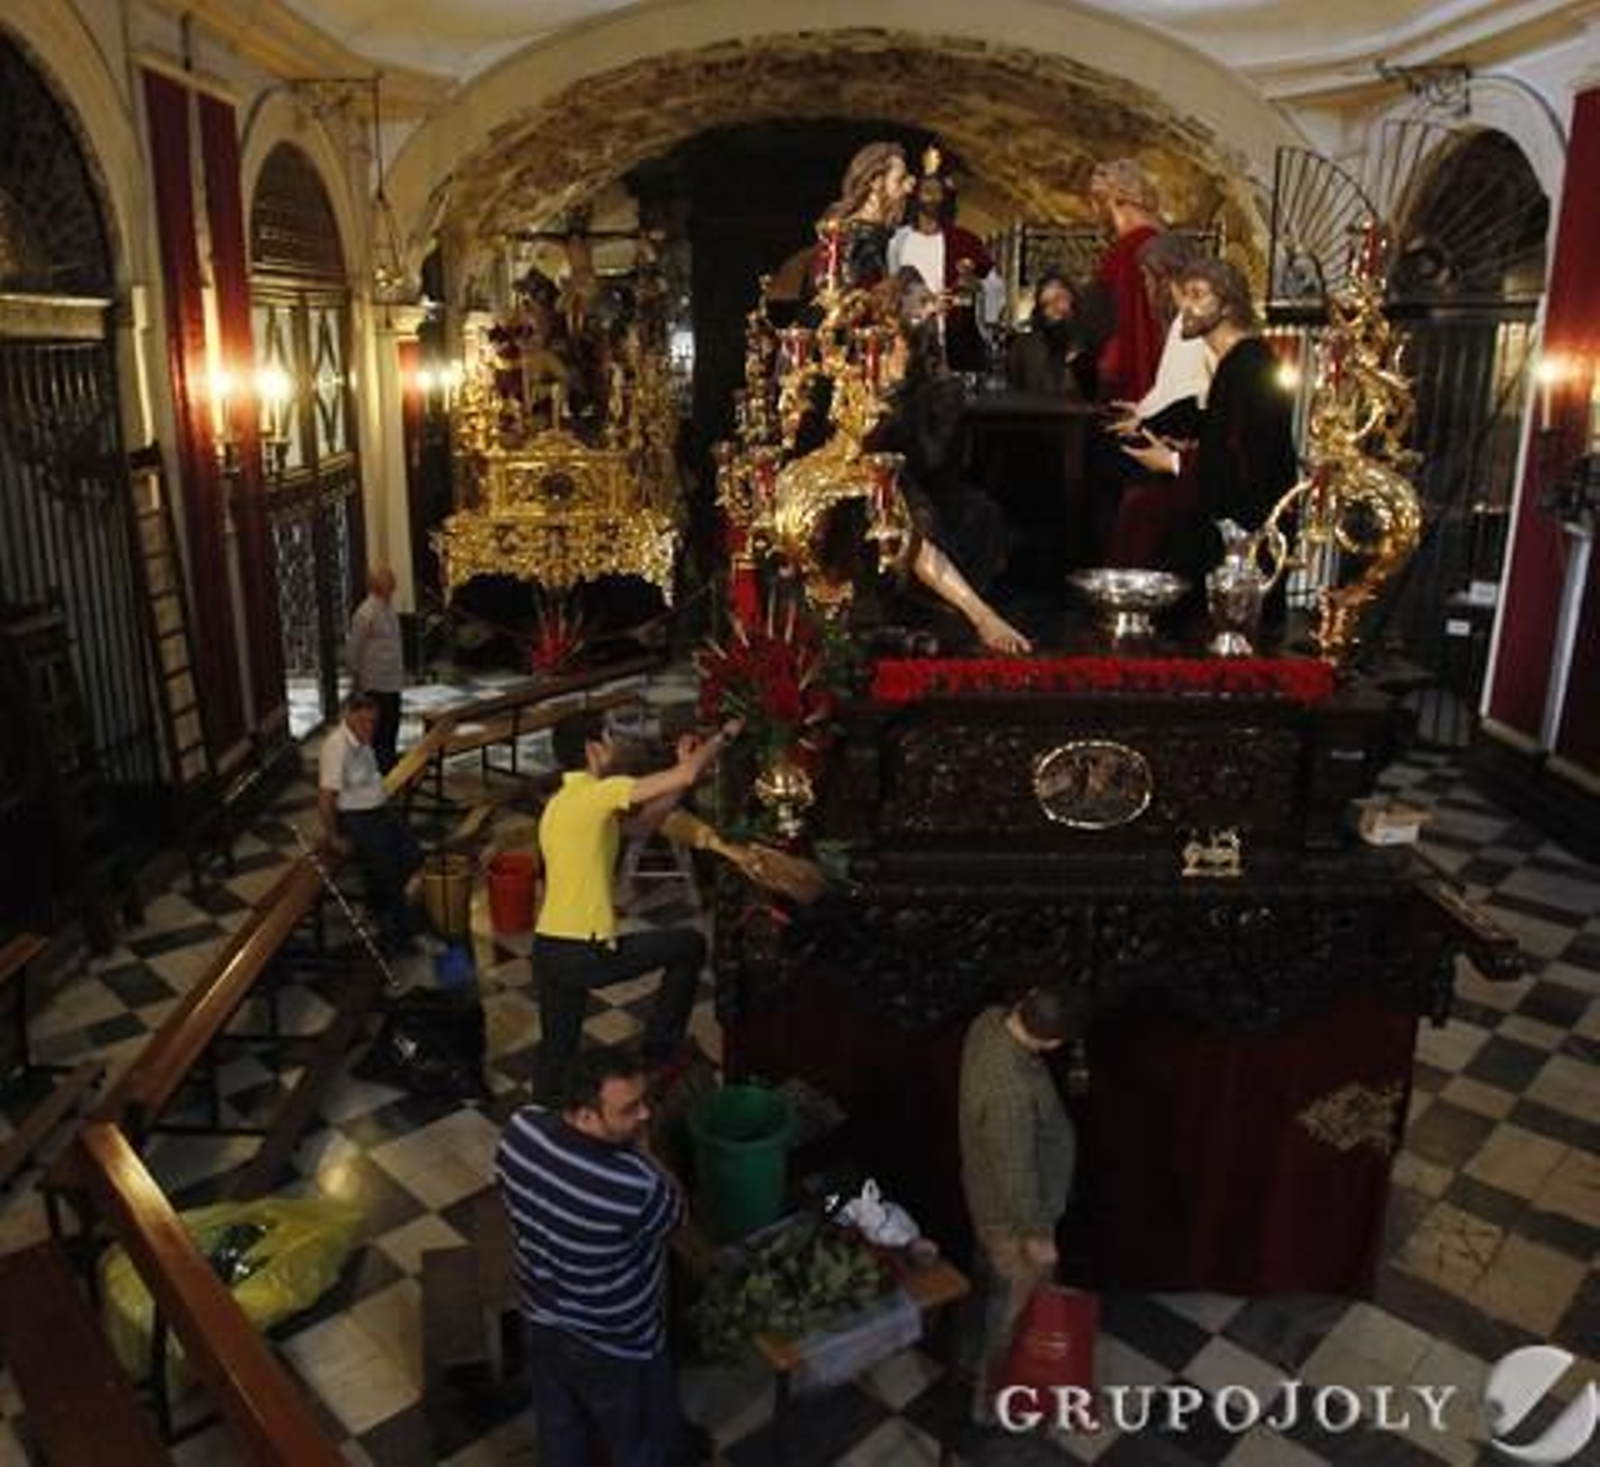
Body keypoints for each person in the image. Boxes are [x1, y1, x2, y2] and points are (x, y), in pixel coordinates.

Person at [498, 1044, 705, 1466]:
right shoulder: (637, 1184)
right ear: (586, 1114)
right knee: (634, 1437)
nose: (645, 1115)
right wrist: (645, 1152)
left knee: (559, 1423)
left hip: (539, 1311)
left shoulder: (520, 1130)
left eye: (644, 1101)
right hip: (613, 1337)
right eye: (630, 1109)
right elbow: (676, 1220)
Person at [533, 710, 736, 1103]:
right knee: (689, 944)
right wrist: (723, 736)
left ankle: (540, 1127)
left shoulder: (563, 804)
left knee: (557, 1053)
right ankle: (660, 1052)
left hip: (549, 950)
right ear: (593, 749)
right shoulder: (598, 793)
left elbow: (642, 826)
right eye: (609, 736)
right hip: (582, 951)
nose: (616, 743)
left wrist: (678, 774)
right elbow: (690, 775)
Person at [1122, 256, 1299, 600]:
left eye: (1198, 294)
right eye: (1184, 295)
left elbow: (1247, 461)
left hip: (1244, 545)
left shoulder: (1249, 366)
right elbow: (1220, 429)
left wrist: (1173, 462)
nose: (1185, 306)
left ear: (1229, 305)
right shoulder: (1238, 362)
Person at [958, 985, 1085, 1425]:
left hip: (983, 1195)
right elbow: (1016, 1176)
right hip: (1011, 1219)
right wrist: (1038, 1236)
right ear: (1050, 1043)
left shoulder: (988, 1022)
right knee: (1014, 1314)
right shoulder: (1009, 1095)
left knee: (987, 1286)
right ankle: (992, 1403)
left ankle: (968, 1358)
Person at [318, 692, 423, 951]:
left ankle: (376, 905)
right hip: (354, 817)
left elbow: (371, 780)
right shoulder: (337, 746)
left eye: (373, 722)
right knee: (387, 867)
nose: (370, 728)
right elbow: (325, 798)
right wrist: (333, 837)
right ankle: (401, 932)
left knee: (413, 854)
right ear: (349, 717)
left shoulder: (363, 740)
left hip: (377, 809)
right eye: (364, 722)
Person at [887, 156, 1004, 374]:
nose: (932, 197)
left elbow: (995, 285)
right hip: (909, 339)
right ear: (916, 198)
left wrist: (976, 286)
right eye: (927, 191)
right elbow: (891, 290)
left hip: (955, 340)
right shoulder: (897, 242)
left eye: (937, 192)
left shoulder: (965, 241)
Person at [1086, 159, 1168, 406]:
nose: (1094, 212)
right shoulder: (1162, 243)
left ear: (1112, 200)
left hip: (1128, 387)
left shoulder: (1126, 251)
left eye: (1097, 202)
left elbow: (1118, 328)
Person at [813, 141, 915, 292]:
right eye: (900, 180)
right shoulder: (845, 238)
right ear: (876, 182)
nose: (908, 189)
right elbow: (838, 300)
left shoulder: (886, 235)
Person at [345, 566, 404, 774]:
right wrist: (357, 681)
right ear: (378, 586)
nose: (394, 586)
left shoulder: (388, 608)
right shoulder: (365, 613)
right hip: (375, 684)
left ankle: (388, 766)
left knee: (392, 726)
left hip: (392, 681)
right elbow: (354, 649)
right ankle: (377, 772)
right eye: (390, 583)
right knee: (377, 731)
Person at [1006, 271, 1097, 399]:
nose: (1054, 309)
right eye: (1046, 304)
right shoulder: (1023, 347)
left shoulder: (1088, 346)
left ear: (1073, 300)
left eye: (1059, 299)